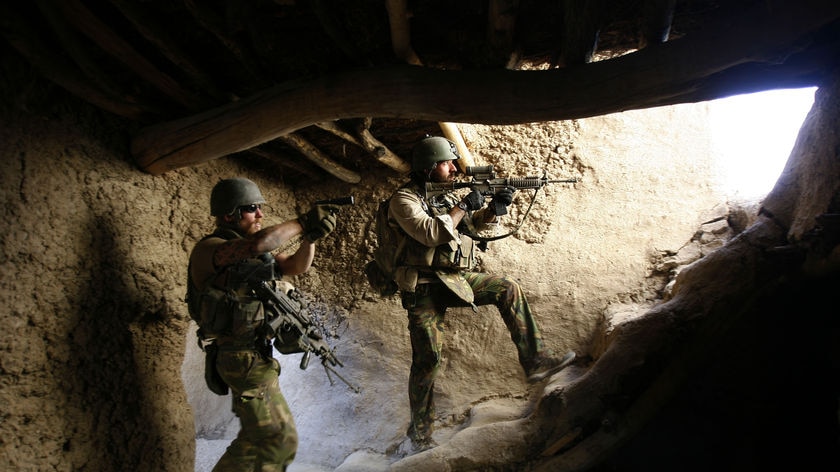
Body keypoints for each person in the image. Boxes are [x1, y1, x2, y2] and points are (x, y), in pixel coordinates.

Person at [388, 136, 576, 451]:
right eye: (446, 163)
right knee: (427, 360)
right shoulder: (403, 200)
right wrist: (463, 204)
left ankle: (536, 361)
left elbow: (468, 229)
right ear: (429, 166)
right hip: (422, 287)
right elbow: (431, 233)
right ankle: (420, 436)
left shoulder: (442, 197)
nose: (452, 168)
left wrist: (492, 210)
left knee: (507, 287)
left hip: (453, 280)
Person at [187, 177, 340, 471]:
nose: (260, 214)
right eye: (252, 208)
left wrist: (310, 238)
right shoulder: (212, 249)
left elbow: (296, 267)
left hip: (255, 354)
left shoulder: (252, 251)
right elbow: (261, 242)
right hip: (236, 356)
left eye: (260, 208)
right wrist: (303, 221)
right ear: (230, 214)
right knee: (277, 439)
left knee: (261, 438)